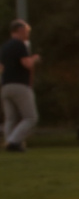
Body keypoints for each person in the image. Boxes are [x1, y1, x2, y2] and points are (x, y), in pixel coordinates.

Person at [1, 19, 42, 152]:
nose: (28, 34)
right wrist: (35, 58)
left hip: (5, 85)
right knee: (31, 117)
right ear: (20, 30)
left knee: (10, 118)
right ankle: (13, 142)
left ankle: (10, 142)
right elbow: (27, 64)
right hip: (20, 85)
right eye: (27, 31)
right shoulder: (20, 45)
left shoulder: (4, 47)